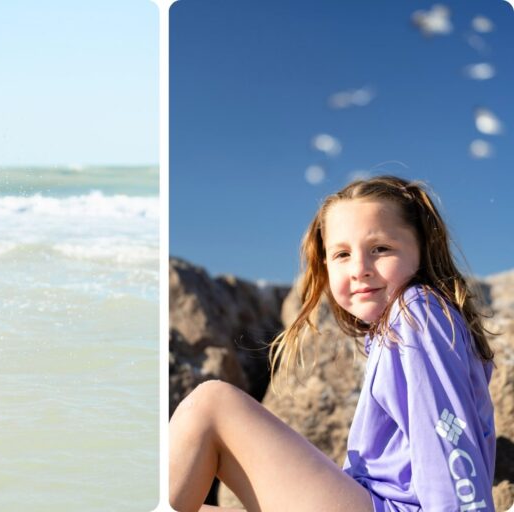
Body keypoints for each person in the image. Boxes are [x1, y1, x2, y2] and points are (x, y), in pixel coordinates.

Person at [168, 176, 495, 511]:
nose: (359, 269)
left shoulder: (419, 313)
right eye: (342, 254)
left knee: (210, 403)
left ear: (423, 249)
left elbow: (449, 437)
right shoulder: (400, 324)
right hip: (372, 499)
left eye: (380, 249)